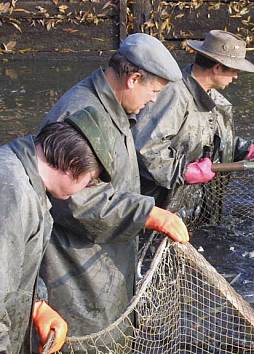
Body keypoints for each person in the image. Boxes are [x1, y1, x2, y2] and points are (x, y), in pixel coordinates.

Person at [37, 33, 190, 338]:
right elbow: (75, 199)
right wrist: (150, 214)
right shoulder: (79, 113)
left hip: (107, 256)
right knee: (92, 336)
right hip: (76, 271)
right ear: (133, 78)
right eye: (154, 91)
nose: (154, 100)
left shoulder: (114, 105)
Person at [0, 107, 114, 354]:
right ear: (72, 165)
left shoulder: (29, 183)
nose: (86, 188)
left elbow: (15, 268)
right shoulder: (12, 191)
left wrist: (37, 304)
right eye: (90, 180)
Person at [133, 30, 254, 209]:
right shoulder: (173, 95)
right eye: (234, 70)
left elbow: (208, 142)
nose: (236, 76)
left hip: (196, 206)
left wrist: (250, 152)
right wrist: (183, 172)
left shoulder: (216, 101)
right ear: (217, 67)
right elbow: (144, 149)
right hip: (162, 207)